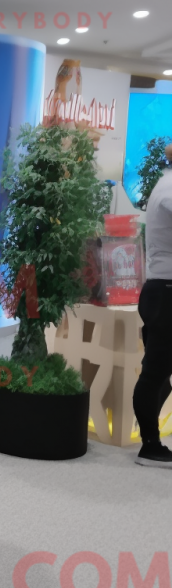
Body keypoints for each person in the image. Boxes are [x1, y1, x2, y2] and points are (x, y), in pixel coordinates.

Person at [133, 142, 172, 468]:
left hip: (163, 291)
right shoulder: (169, 189)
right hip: (165, 293)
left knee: (161, 374)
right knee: (155, 373)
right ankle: (149, 445)